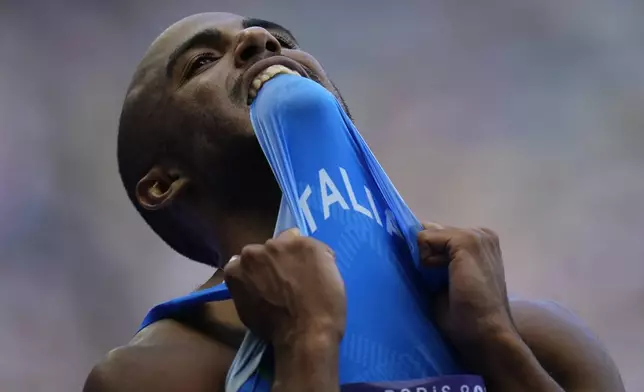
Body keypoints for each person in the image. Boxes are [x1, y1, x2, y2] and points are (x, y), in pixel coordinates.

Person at [83, 12, 624, 392]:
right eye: (202, 61)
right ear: (163, 183)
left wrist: (496, 342)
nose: (258, 41)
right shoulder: (149, 376)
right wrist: (306, 343)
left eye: (277, 37)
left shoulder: (539, 336)